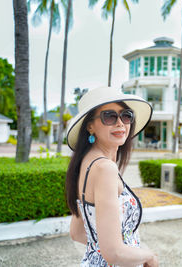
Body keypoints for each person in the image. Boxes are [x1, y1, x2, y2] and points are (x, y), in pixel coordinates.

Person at [65, 86, 158, 267]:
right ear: (90, 126)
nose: (120, 123)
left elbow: (77, 232)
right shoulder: (105, 168)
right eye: (109, 116)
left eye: (126, 115)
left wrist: (105, 246)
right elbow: (114, 253)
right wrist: (149, 256)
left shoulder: (86, 162)